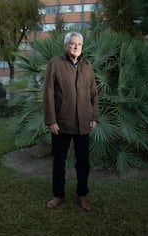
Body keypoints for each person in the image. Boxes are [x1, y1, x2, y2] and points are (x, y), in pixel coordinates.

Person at [43, 31, 99, 211]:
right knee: (59, 161)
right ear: (66, 45)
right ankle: (58, 195)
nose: (76, 47)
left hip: (83, 124)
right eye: (72, 44)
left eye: (79, 44)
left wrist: (94, 117)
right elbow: (48, 94)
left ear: (82, 47)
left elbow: (94, 94)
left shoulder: (88, 66)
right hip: (61, 124)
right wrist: (51, 120)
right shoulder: (55, 64)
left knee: (83, 162)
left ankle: (82, 195)